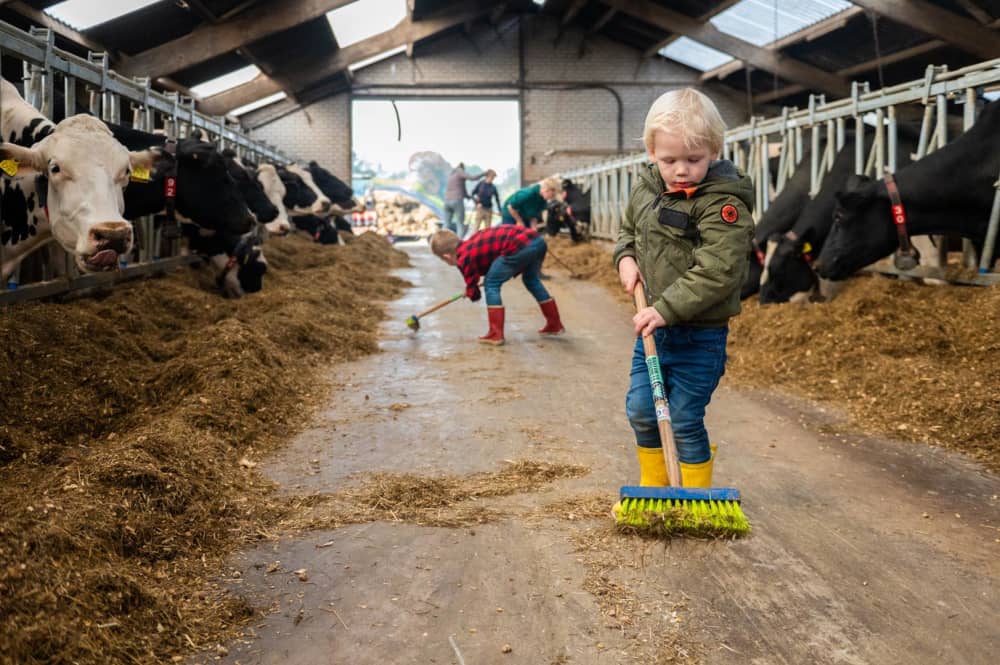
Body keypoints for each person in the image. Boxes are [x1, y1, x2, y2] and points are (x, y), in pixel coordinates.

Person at [612, 88, 753, 496]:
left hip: (699, 334)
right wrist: (624, 257)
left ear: (714, 150)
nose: (681, 170)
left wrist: (667, 308)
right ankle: (653, 491)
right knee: (642, 410)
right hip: (654, 329)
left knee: (684, 416)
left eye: (694, 160)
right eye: (668, 159)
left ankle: (693, 498)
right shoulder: (646, 186)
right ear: (651, 151)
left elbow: (720, 269)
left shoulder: (723, 203)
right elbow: (628, 232)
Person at [429, 225, 564, 345]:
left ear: (446, 256)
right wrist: (472, 287)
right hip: (537, 241)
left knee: (491, 283)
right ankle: (554, 324)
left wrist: (471, 290)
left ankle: (495, 334)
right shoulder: (471, 243)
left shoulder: (464, 257)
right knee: (531, 280)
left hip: (519, 245)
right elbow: (489, 264)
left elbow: (474, 291)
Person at [443, 162, 482, 239]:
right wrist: (484, 173)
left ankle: (441, 241)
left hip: (447, 201)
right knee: (460, 224)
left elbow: (463, 191)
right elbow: (472, 178)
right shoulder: (460, 171)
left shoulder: (451, 175)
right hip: (456, 200)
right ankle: (459, 244)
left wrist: (471, 198)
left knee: (446, 224)